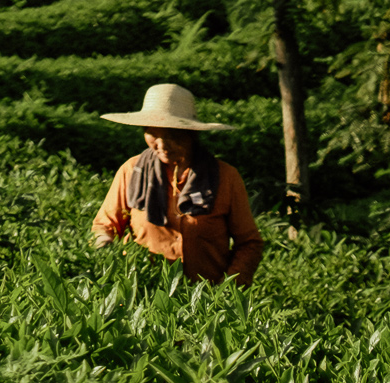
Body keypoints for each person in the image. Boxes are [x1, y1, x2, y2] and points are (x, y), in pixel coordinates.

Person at [92, 84, 264, 287]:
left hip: (207, 296)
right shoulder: (131, 171)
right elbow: (105, 226)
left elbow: (249, 244)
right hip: (144, 292)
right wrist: (105, 251)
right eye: (152, 135)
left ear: (191, 134)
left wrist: (226, 288)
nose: (162, 145)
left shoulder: (226, 177)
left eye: (172, 136)